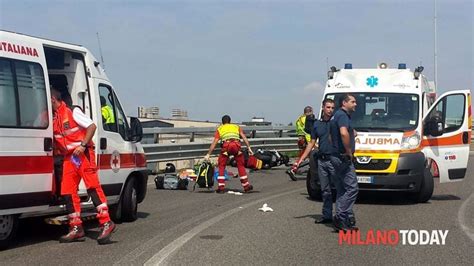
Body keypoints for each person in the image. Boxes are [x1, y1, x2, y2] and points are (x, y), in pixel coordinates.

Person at [51, 89, 116, 244]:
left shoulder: (72, 112)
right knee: (67, 191)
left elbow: (91, 127)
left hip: (83, 154)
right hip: (69, 157)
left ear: (53, 99)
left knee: (92, 187)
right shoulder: (54, 118)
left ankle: (106, 222)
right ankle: (76, 227)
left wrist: (83, 145)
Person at [292, 99, 336, 224]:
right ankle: (327, 215)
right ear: (323, 108)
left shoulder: (336, 123)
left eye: (332, 108)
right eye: (328, 107)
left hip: (335, 160)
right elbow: (311, 143)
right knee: (325, 190)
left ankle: (342, 216)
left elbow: (350, 134)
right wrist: (300, 160)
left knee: (340, 188)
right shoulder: (317, 125)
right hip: (322, 161)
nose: (330, 110)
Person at [329, 94, 358, 231]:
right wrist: (348, 151)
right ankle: (341, 216)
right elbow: (343, 133)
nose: (355, 104)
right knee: (352, 188)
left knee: (342, 188)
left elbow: (330, 136)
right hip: (343, 157)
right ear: (344, 103)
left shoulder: (336, 116)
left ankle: (342, 220)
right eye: (352, 101)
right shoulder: (342, 116)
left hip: (335, 156)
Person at [205, 115, 254, 193]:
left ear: (222, 122)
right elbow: (244, 137)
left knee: (221, 166)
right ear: (230, 121)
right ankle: (246, 186)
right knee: (240, 165)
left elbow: (214, 142)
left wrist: (208, 154)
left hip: (226, 147)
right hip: (236, 146)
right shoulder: (236, 127)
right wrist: (249, 148)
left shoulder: (220, 128)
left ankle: (221, 188)